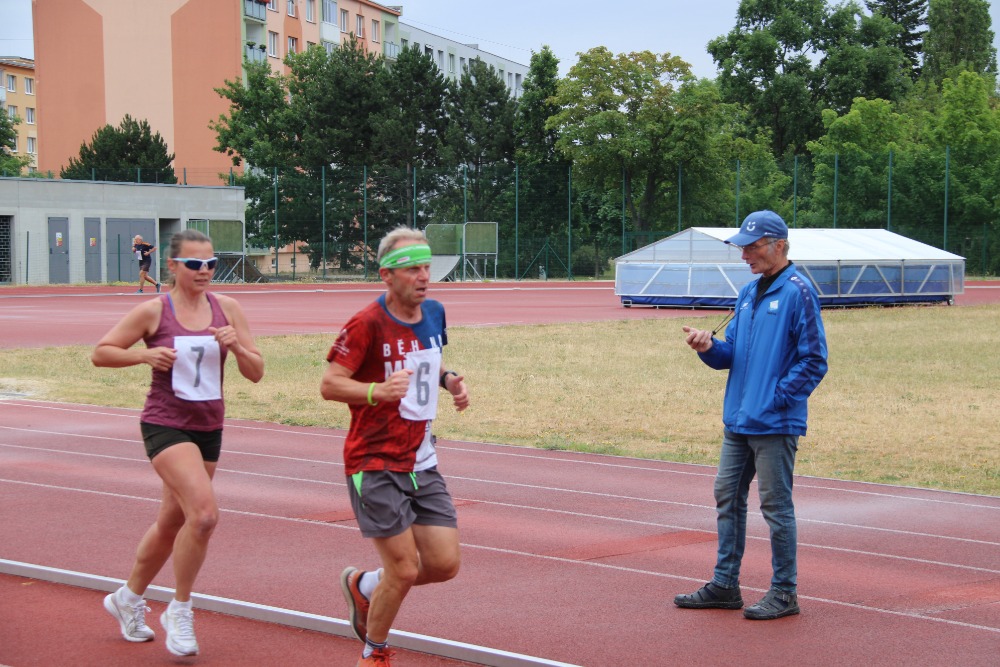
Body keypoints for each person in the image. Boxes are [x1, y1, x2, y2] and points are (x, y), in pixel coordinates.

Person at [93, 229, 264, 655]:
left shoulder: (228, 308)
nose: (205, 271)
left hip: (209, 426)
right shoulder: (154, 311)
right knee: (203, 516)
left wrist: (238, 348)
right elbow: (102, 352)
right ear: (172, 266)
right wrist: (144, 354)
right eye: (194, 264)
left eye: (211, 263)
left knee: (172, 522)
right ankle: (180, 609)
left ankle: (127, 598)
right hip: (165, 424)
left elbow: (256, 372)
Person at [320, 226, 469, 666]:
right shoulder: (366, 323)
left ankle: (365, 586)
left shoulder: (435, 312)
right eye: (412, 269)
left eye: (426, 267)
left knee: (443, 564)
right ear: (386, 275)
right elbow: (330, 384)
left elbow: (428, 358)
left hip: (422, 459)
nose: (423, 276)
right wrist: (376, 392)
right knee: (403, 569)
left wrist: (448, 380)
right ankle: (375, 651)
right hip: (374, 460)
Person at [674, 210, 827, 620]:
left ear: (779, 245)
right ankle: (725, 584)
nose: (745, 255)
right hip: (739, 421)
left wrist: (776, 399)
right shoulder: (746, 293)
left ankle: (785, 592)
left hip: (774, 423)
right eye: (742, 248)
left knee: (776, 508)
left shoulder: (798, 292)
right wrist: (709, 347)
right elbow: (732, 355)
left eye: (752, 247)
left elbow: (814, 360)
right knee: (727, 497)